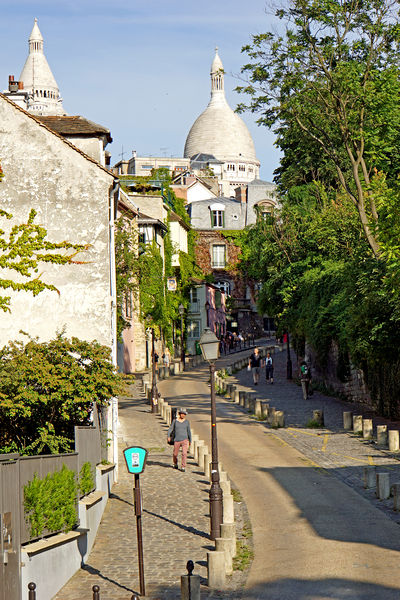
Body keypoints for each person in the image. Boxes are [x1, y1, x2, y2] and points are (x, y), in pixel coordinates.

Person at [167, 408, 192, 472]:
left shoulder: (187, 422)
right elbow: (170, 429)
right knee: (175, 454)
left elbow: (189, 431)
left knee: (184, 453)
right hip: (177, 440)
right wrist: (168, 436)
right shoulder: (175, 421)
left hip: (185, 440)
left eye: (184, 414)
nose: (183, 415)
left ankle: (183, 466)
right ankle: (175, 463)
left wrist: (190, 440)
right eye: (182, 414)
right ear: (179, 414)